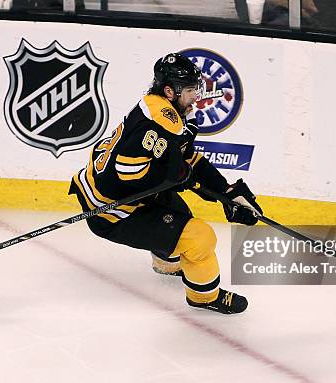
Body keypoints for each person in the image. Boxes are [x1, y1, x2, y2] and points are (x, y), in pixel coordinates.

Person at [68, 53, 263, 314]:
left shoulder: (162, 109)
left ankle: (167, 261)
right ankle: (203, 297)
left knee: (180, 215)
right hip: (112, 211)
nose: (197, 96)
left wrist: (225, 191)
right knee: (199, 238)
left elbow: (187, 159)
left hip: (112, 190)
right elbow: (128, 172)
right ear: (170, 90)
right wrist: (177, 178)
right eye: (192, 90)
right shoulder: (160, 121)